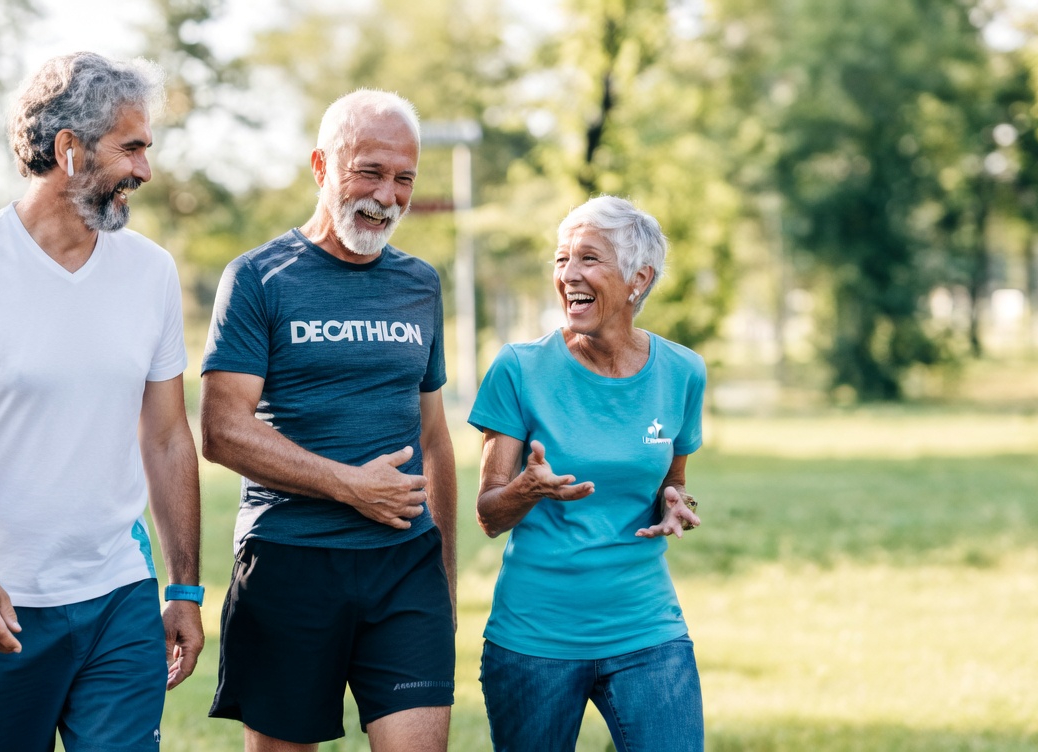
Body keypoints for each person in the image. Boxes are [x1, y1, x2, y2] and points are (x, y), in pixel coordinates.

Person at [0, 52, 204, 752]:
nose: (145, 171)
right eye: (132, 147)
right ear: (69, 150)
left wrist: (184, 587)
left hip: (117, 598)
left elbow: (166, 439)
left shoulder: (151, 272)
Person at [200, 89, 457, 752]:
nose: (387, 195)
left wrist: (445, 577)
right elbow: (223, 429)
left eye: (404, 178)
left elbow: (433, 439)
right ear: (320, 166)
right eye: (369, 171)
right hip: (290, 564)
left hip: (405, 566)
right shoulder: (259, 277)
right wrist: (348, 485)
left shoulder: (421, 284)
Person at [468, 195, 707, 752]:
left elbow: (673, 477)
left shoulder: (683, 372)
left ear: (637, 280)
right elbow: (487, 514)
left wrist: (674, 499)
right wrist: (525, 490)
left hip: (647, 628)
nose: (568, 275)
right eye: (561, 259)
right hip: (536, 638)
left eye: (588, 260)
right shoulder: (518, 369)